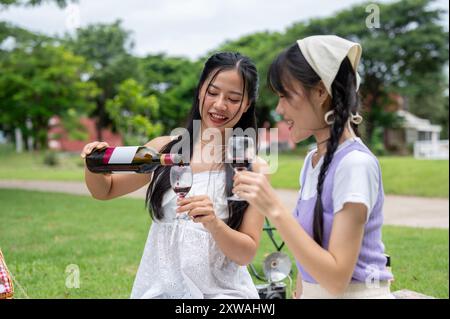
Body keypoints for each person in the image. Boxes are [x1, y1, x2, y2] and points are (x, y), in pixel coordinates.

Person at [81, 52, 268, 299]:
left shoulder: (252, 166)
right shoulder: (162, 150)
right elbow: (105, 190)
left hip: (223, 295)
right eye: (212, 92)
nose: (220, 104)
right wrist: (94, 164)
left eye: (233, 98)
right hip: (160, 291)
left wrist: (214, 223)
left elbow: (246, 253)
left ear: (246, 105)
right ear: (200, 90)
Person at [233, 35, 394, 299]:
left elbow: (336, 279)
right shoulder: (313, 160)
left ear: (320, 92)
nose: (279, 109)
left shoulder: (354, 164)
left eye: (286, 96)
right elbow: (310, 253)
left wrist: (273, 208)